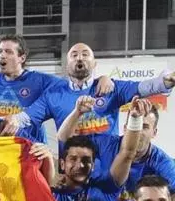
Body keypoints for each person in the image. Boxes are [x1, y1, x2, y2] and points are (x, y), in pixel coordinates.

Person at [20, 42, 175, 138]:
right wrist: (8, 121)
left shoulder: (113, 88)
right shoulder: (53, 95)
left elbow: (148, 87)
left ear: (94, 64)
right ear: (67, 66)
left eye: (85, 54)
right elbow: (25, 119)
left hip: (108, 173)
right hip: (72, 173)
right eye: (74, 55)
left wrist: (168, 80)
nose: (79, 58)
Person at [58, 96, 175, 194]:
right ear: (125, 128)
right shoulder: (105, 143)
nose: (138, 132)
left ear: (154, 132)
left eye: (144, 127)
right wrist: (77, 112)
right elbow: (65, 139)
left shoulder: (164, 163)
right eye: (135, 125)